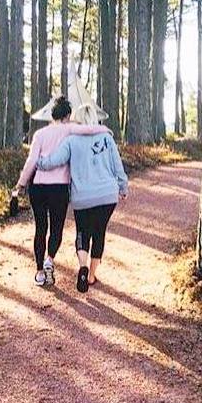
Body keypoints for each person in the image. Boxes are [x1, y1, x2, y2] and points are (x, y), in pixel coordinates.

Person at [14, 97, 110, 287]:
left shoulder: (40, 134)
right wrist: (104, 130)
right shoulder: (69, 129)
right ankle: (50, 259)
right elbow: (89, 129)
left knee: (40, 228)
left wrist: (21, 183)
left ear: (53, 115)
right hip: (59, 188)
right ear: (67, 115)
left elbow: (31, 162)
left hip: (38, 186)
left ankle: (40, 272)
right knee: (56, 228)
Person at [37, 104, 128, 293]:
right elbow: (117, 166)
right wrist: (123, 187)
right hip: (107, 195)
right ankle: (92, 275)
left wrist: (38, 162)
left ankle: (82, 266)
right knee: (99, 233)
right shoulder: (107, 138)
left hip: (82, 197)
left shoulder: (71, 140)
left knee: (82, 233)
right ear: (95, 118)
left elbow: (55, 160)